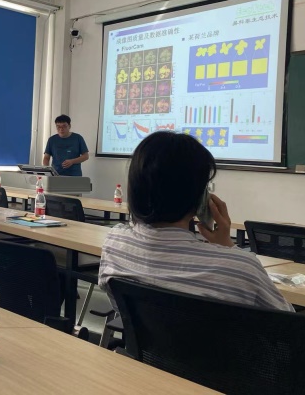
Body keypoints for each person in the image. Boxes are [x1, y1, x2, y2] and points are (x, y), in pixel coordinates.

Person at [98, 131, 293, 312]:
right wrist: (227, 246)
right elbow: (288, 325)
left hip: (143, 340)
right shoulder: (240, 267)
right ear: (200, 198)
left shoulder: (114, 243)